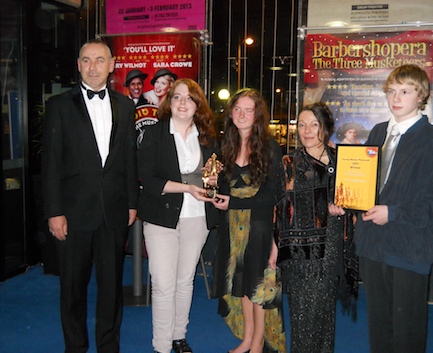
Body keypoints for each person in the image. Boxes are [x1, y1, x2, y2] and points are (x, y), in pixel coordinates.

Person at [354, 64, 433, 353]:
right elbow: (368, 186)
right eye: (391, 91)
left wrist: (395, 212)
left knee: (407, 329)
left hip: (409, 245)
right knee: (378, 324)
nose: (396, 97)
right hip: (373, 243)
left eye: (405, 91)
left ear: (421, 95)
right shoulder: (378, 133)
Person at [42, 39, 139, 353]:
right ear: (78, 64)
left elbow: (128, 158)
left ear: (112, 65)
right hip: (72, 213)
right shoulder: (58, 106)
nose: (93, 67)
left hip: (113, 212)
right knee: (72, 289)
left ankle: (108, 346)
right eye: (86, 60)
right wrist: (54, 211)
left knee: (111, 288)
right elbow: (51, 163)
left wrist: (132, 203)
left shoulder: (126, 106)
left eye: (100, 60)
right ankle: (76, 347)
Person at [137, 78, 219, 353]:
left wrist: (216, 194)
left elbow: (216, 177)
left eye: (189, 98)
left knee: (185, 280)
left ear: (198, 105)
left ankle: (178, 337)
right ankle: (161, 346)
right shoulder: (154, 134)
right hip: (161, 216)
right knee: (162, 284)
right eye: (177, 97)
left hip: (197, 217)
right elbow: (148, 180)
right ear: (168, 102)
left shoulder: (208, 137)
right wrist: (188, 188)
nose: (183, 103)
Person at [274, 102, 358, 353]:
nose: (307, 130)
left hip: (331, 247)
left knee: (324, 315)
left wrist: (344, 207)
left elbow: (354, 201)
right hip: (300, 253)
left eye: (314, 124)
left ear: (326, 127)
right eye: (301, 124)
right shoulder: (289, 162)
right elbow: (278, 209)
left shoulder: (343, 162)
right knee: (303, 317)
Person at [210, 88, 287, 353]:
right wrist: (213, 189)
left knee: (258, 288)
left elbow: (271, 196)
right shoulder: (227, 147)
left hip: (260, 228)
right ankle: (247, 339)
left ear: (257, 116)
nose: (242, 114)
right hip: (233, 229)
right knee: (241, 286)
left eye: (249, 110)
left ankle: (258, 344)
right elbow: (223, 187)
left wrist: (234, 203)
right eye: (238, 109)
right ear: (231, 113)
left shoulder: (270, 148)